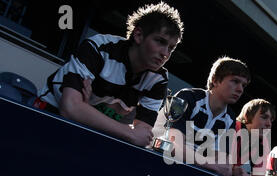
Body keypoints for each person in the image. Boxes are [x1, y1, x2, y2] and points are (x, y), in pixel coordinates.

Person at [37, 2, 184, 148]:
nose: (165, 54)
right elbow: (70, 108)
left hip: (93, 136)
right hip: (47, 116)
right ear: (138, 35)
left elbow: (142, 135)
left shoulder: (159, 79)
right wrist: (128, 132)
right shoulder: (99, 47)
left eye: (171, 48)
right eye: (160, 41)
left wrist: (86, 108)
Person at [153, 56, 251, 176]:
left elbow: (222, 162)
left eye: (243, 85)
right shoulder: (188, 97)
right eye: (235, 81)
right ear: (215, 80)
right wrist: (210, 164)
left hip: (186, 171)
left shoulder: (229, 117)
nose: (240, 89)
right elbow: (173, 147)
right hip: (153, 160)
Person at [231, 99, 276, 176]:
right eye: (264, 117)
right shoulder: (231, 127)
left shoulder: (263, 142)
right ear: (247, 116)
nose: (269, 124)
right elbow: (222, 167)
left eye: (271, 120)